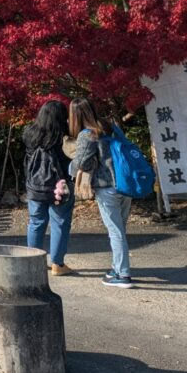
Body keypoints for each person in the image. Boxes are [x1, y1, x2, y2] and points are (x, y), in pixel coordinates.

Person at [69, 97, 133, 288]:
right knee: (120, 229)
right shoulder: (111, 126)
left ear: (76, 115)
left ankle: (123, 274)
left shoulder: (87, 135)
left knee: (115, 231)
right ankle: (116, 267)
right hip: (125, 183)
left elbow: (82, 163)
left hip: (106, 187)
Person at [23, 100, 75, 276]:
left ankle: (32, 262)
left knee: (36, 222)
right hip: (60, 187)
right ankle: (57, 265)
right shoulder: (64, 137)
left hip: (35, 186)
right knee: (59, 223)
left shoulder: (30, 133)